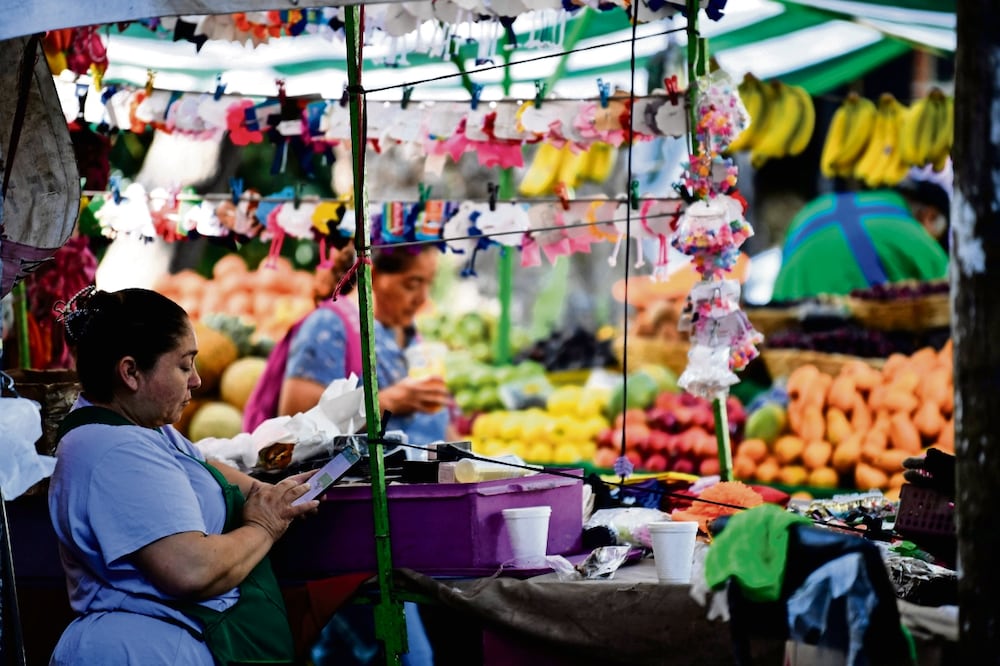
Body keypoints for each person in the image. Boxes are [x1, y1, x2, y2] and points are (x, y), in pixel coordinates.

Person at [47, 286, 319, 665]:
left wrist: (271, 491)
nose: (196, 381)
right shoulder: (114, 451)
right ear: (130, 372)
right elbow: (191, 570)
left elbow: (201, 463)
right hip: (146, 651)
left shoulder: (143, 428)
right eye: (183, 364)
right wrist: (265, 526)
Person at [271, 243, 453, 446]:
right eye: (411, 284)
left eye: (429, 284)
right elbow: (297, 419)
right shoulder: (329, 326)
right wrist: (389, 402)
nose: (422, 298)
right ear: (372, 276)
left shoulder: (407, 331)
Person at [770, 187, 950, 303]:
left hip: (782, 312)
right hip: (854, 339)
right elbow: (946, 294)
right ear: (931, 216)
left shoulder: (812, 209)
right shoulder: (915, 235)